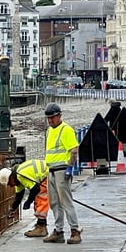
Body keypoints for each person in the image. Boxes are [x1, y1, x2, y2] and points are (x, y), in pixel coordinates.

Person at [42, 103, 82, 244]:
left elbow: (74, 150)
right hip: (51, 171)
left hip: (61, 171)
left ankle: (75, 230)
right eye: (48, 118)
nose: (50, 121)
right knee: (54, 203)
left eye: (52, 118)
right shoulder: (49, 131)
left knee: (66, 202)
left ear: (59, 116)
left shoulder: (66, 130)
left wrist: (70, 168)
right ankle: (58, 231)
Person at [0, 158, 49, 237]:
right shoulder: (17, 176)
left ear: (11, 177)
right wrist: (13, 208)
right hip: (46, 174)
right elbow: (19, 195)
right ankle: (41, 226)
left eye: (9, 183)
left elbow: (35, 188)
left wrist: (28, 201)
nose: (10, 186)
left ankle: (41, 227)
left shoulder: (20, 175)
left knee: (40, 199)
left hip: (47, 175)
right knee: (38, 199)